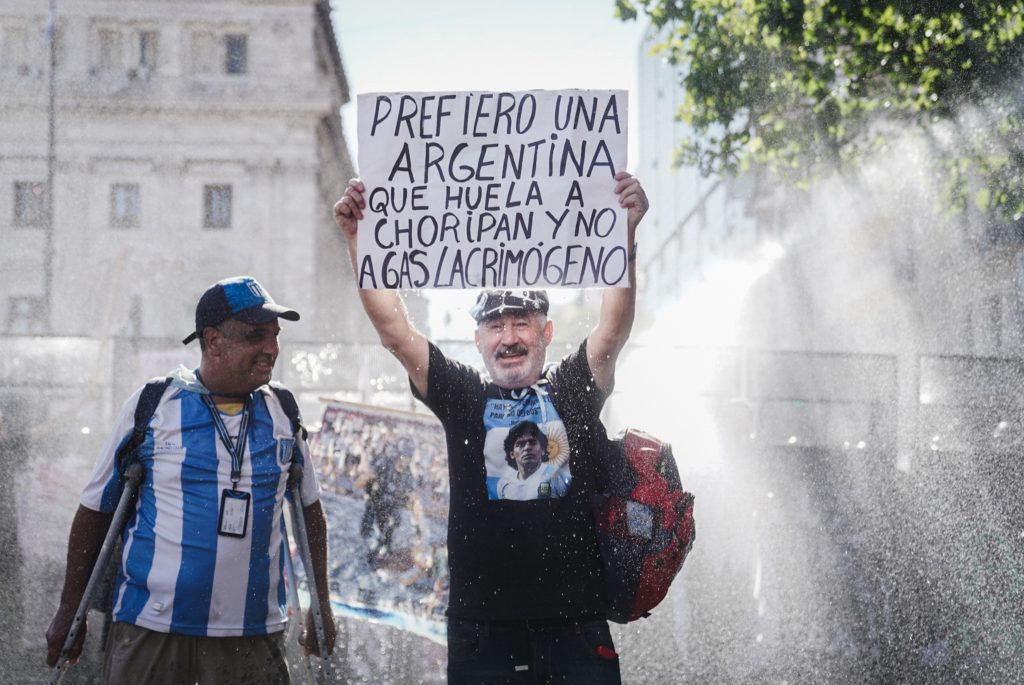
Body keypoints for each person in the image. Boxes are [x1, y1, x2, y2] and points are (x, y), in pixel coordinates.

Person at [333, 171, 648, 684]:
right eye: (496, 326)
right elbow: (395, 332)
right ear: (477, 340)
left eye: (521, 322)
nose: (509, 336)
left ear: (545, 333)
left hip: (574, 625)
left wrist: (626, 234)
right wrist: (360, 242)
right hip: (483, 630)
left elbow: (613, 324)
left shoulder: (572, 389)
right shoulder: (463, 396)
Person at [45, 276, 336, 685]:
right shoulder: (154, 404)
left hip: (252, 633)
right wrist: (68, 611)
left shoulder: (284, 411)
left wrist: (321, 604)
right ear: (213, 340)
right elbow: (96, 510)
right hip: (152, 627)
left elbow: (309, 512)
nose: (271, 349)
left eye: (275, 336)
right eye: (256, 336)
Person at [496, 420, 570, 501]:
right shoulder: (503, 484)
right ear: (512, 454)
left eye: (532, 442)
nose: (527, 448)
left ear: (543, 449)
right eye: (520, 444)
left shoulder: (556, 476)